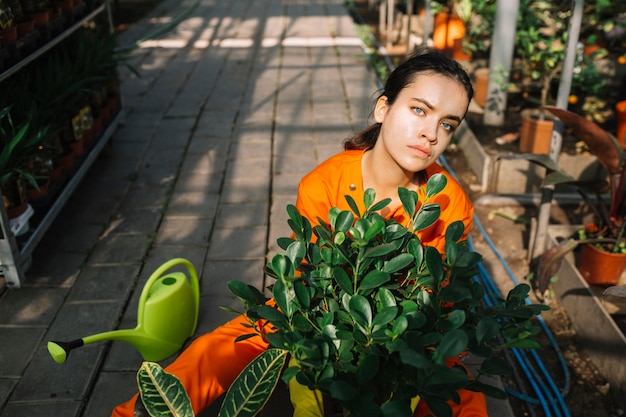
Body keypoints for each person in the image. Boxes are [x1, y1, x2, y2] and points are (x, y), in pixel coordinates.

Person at [112, 46, 486, 417]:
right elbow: (305, 283)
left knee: (458, 392)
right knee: (218, 349)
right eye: (419, 110)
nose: (430, 134)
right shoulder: (322, 185)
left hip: (401, 331)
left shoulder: (449, 205)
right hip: (314, 310)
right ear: (383, 109)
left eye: (447, 124)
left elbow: (436, 303)